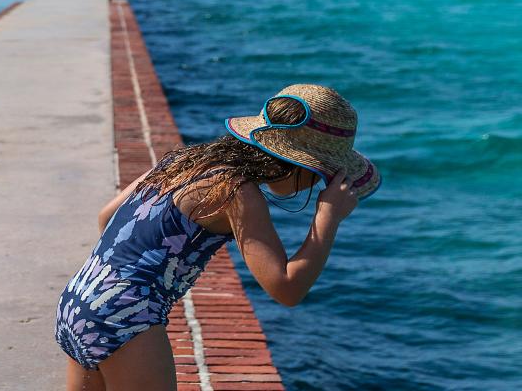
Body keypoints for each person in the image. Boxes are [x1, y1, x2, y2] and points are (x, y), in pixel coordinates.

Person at [56, 84, 380, 391]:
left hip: (81, 297)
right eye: (321, 173)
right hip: (125, 317)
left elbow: (107, 217)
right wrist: (327, 217)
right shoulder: (238, 192)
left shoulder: (187, 159)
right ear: (298, 161)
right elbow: (286, 288)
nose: (316, 185)